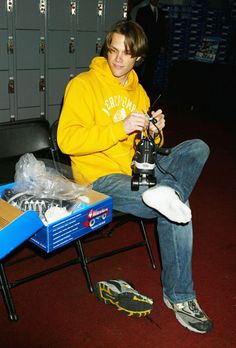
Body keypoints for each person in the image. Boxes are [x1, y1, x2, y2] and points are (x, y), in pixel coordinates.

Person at [57, 19, 213, 334]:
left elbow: (144, 147)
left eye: (126, 54)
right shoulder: (82, 85)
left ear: (137, 58)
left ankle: (168, 192)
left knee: (198, 147)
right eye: (113, 50)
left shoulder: (139, 92)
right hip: (99, 180)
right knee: (173, 206)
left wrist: (153, 132)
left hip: (137, 172)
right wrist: (120, 127)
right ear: (106, 49)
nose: (118, 59)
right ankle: (180, 297)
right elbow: (66, 141)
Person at [135, 0, 167, 99]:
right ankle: (136, 86)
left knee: (151, 68)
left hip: (155, 46)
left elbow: (163, 30)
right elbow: (138, 28)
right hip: (144, 45)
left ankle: (147, 90)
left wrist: (162, 45)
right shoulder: (142, 11)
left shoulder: (161, 13)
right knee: (139, 67)